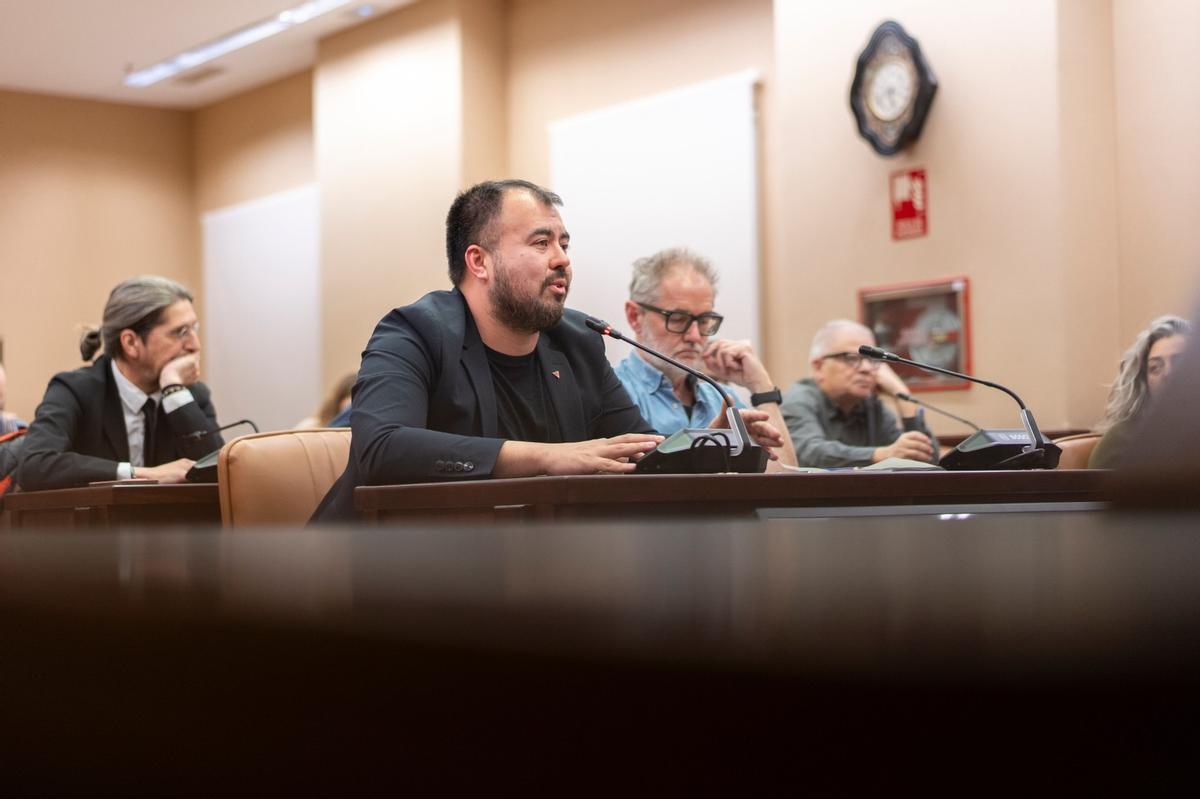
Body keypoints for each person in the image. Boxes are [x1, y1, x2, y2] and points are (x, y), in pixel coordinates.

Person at [312, 179, 670, 522]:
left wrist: (711, 442)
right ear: (478, 261)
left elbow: (641, 450)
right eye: (541, 243)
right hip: (374, 563)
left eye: (564, 244)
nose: (562, 259)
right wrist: (547, 457)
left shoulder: (578, 340)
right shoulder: (414, 333)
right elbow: (383, 448)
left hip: (529, 562)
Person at [18, 276, 222, 491]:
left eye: (194, 329)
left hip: (172, 524)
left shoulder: (190, 395)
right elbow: (35, 465)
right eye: (180, 332)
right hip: (96, 523)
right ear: (131, 342)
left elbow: (220, 472)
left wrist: (173, 389)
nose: (194, 345)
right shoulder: (75, 390)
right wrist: (143, 475)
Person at [614, 248, 796, 466]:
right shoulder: (612, 392)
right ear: (635, 316)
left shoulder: (720, 397)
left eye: (704, 320)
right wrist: (710, 440)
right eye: (678, 318)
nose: (695, 336)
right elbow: (633, 488)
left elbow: (783, 481)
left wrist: (761, 387)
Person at [780, 319, 938, 468]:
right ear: (818, 367)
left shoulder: (871, 406)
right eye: (852, 358)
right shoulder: (798, 400)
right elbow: (809, 454)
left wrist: (902, 395)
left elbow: (927, 462)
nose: (866, 368)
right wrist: (883, 454)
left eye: (872, 360)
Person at [1089, 315, 1190, 469]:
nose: (1167, 373)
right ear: (1144, 380)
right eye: (1155, 368)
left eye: (1179, 363)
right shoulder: (1121, 440)